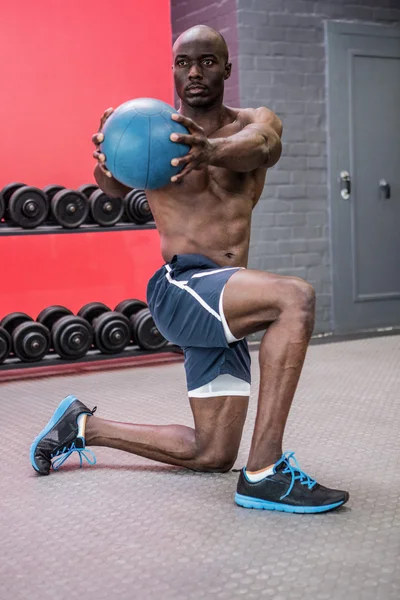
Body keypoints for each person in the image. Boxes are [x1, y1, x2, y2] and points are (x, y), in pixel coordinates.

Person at [30, 25, 349, 513]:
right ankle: (265, 472)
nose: (194, 72)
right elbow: (112, 186)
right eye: (183, 63)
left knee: (212, 452)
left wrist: (207, 150)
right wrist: (107, 158)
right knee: (294, 298)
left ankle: (81, 425)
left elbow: (263, 146)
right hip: (182, 285)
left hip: (223, 301)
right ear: (174, 70)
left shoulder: (253, 121)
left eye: (206, 61)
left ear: (226, 67)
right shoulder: (153, 131)